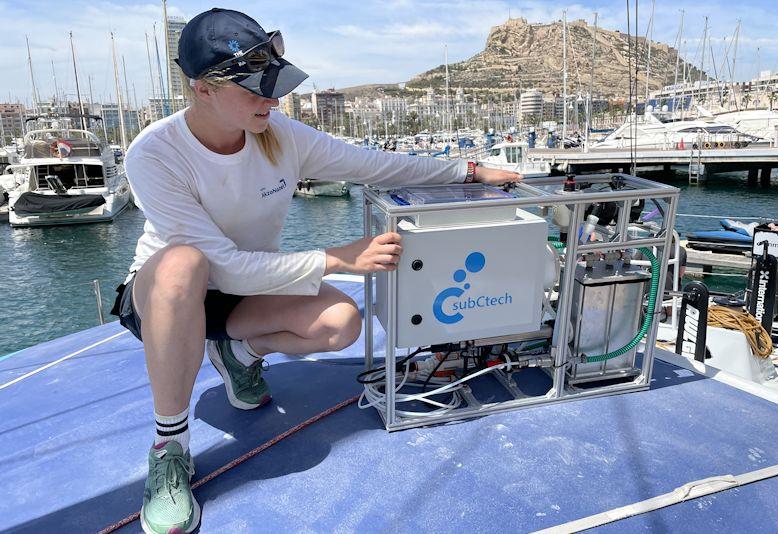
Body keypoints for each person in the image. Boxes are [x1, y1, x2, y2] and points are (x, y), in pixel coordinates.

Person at [110, 8, 520, 534]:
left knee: (341, 324)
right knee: (183, 265)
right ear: (201, 90)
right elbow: (225, 266)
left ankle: (239, 354)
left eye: (273, 85)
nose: (271, 99)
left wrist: (466, 170)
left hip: (242, 296)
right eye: (254, 88)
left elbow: (373, 163)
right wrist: (338, 257)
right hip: (166, 299)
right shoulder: (155, 153)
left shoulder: (279, 135)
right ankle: (170, 447)